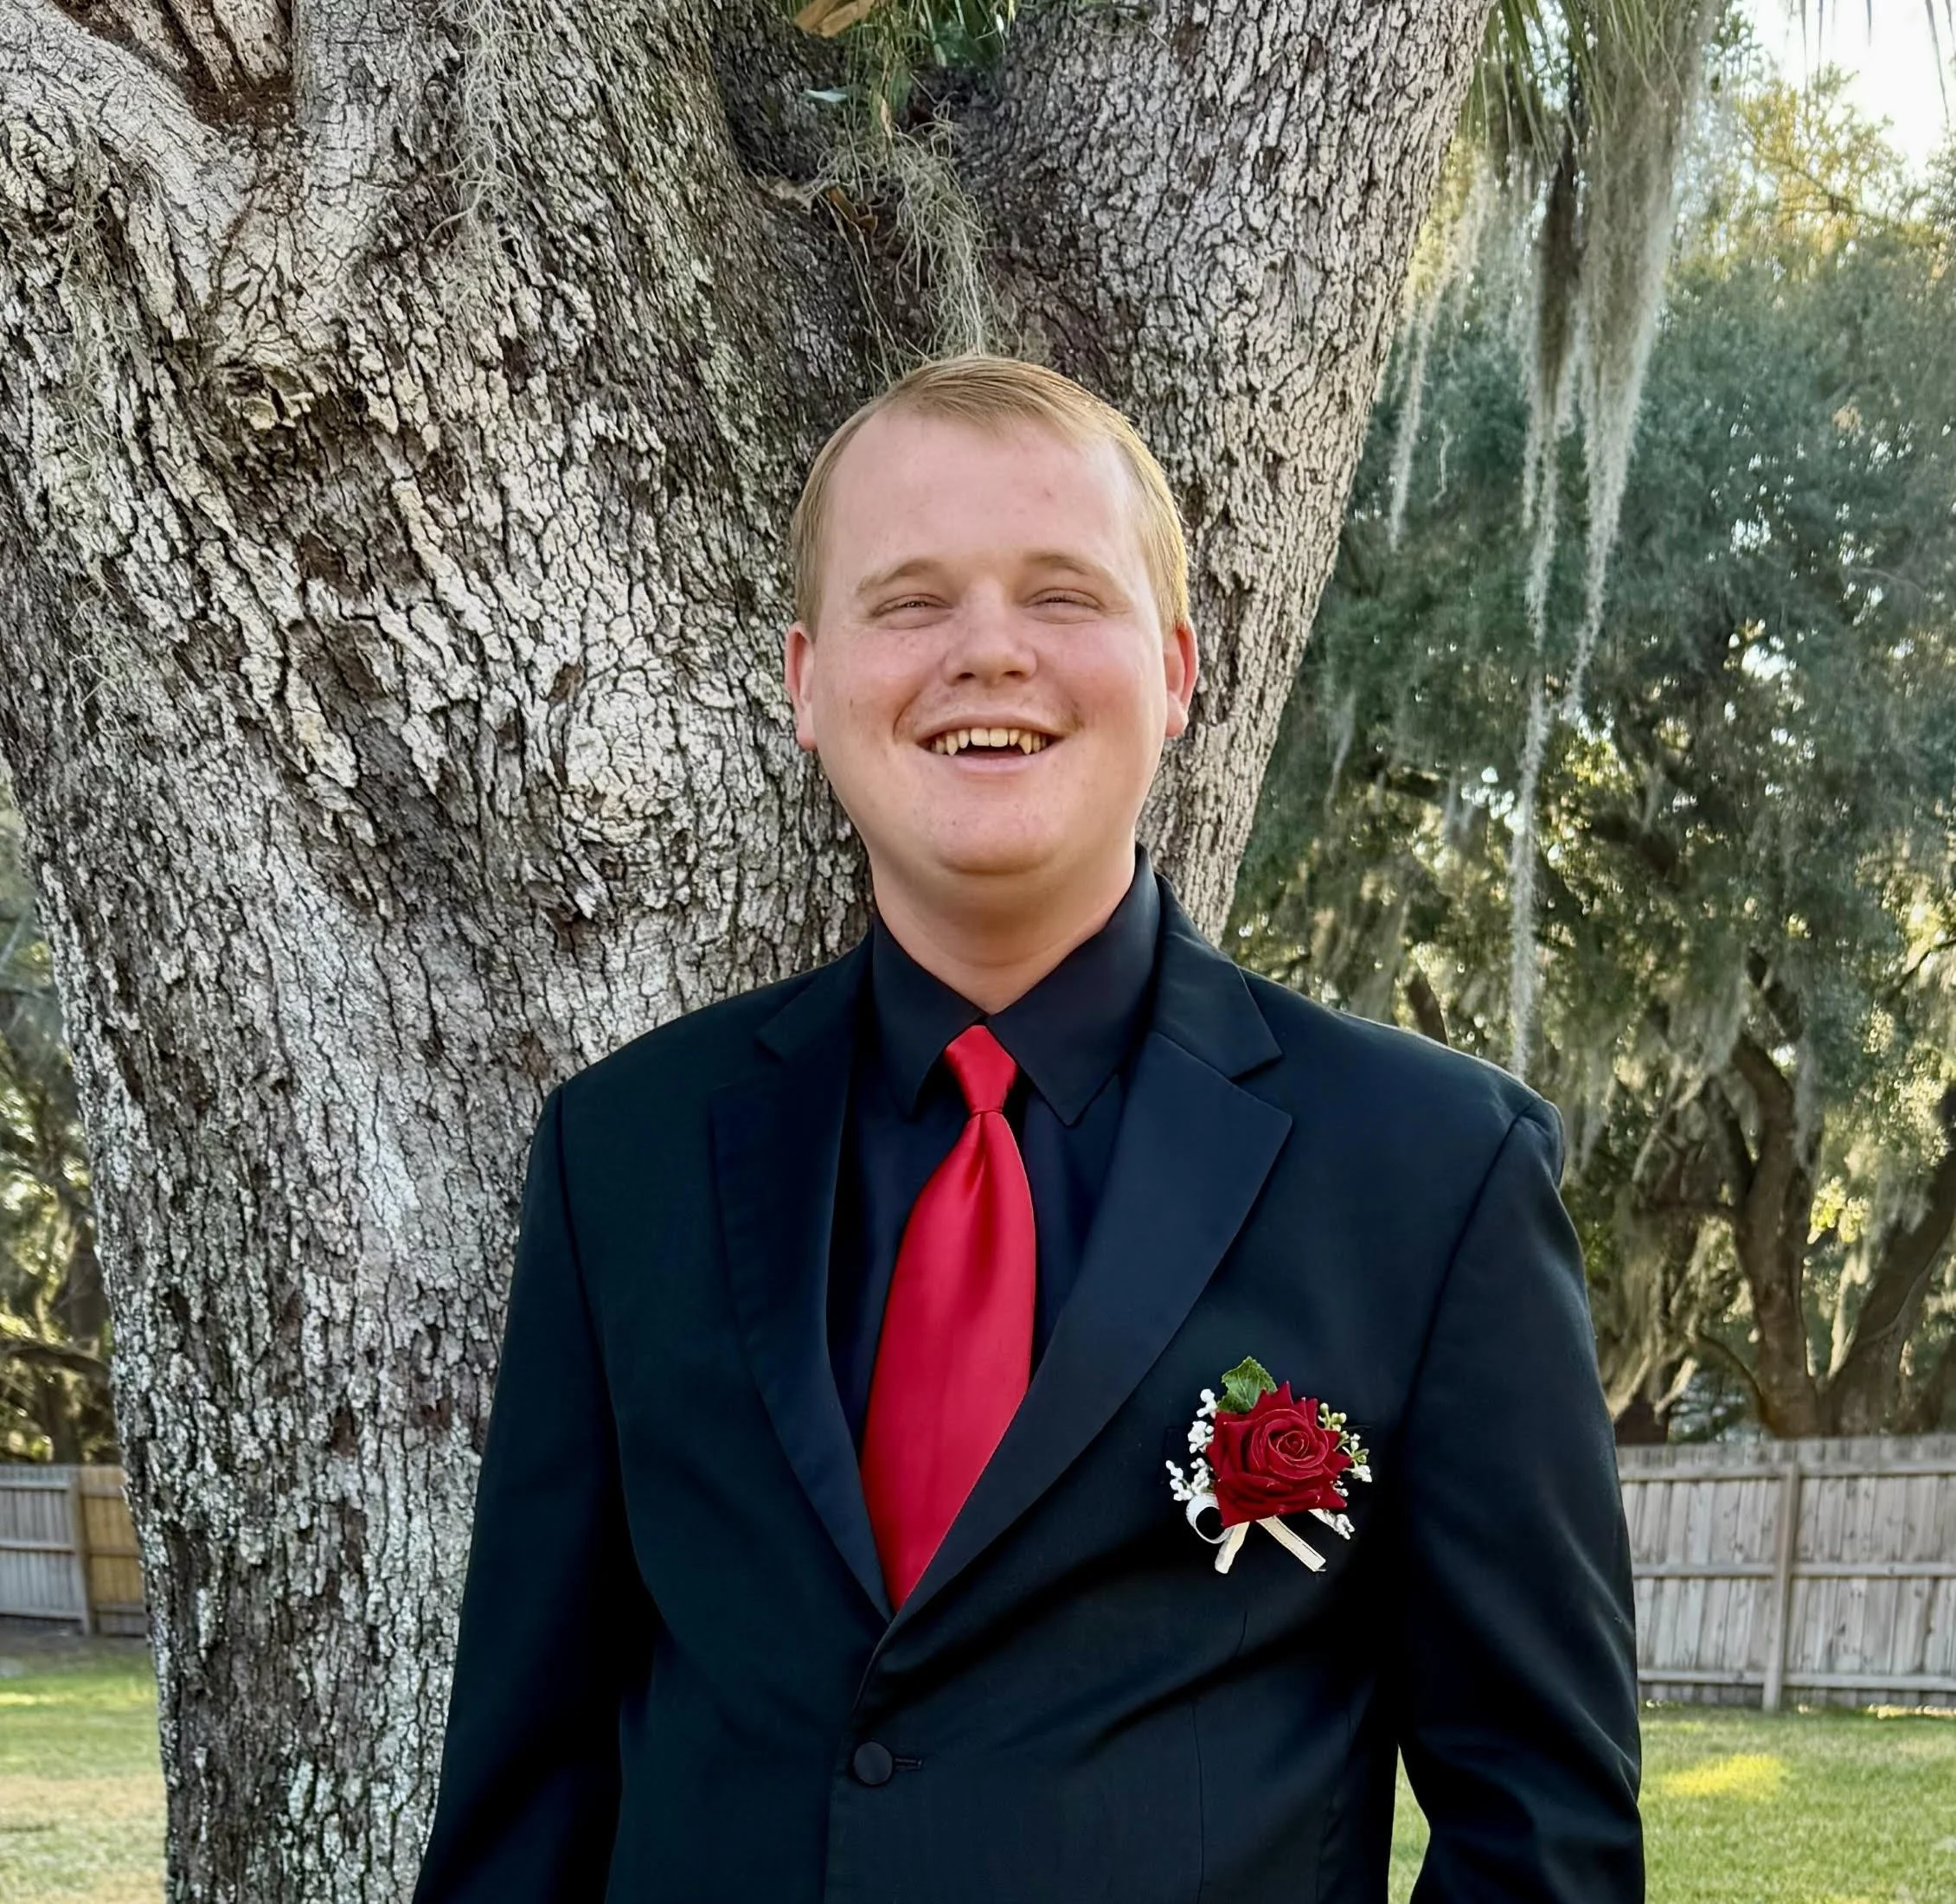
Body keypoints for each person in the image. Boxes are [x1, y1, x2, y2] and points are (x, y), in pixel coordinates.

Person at [411, 354, 1644, 1903]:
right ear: (806, 684)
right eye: (910, 601)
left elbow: (1542, 1836)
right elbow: (524, 1798)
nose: (988, 651)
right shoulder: (623, 1156)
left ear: (1178, 672)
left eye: (1063, 594)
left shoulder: (1432, 1175)